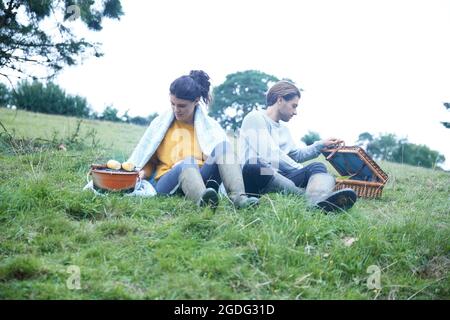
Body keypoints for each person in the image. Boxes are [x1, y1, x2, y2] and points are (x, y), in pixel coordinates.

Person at [127, 70, 259, 209]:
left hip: (203, 179)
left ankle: (239, 199)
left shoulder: (210, 127)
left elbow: (222, 162)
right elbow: (149, 161)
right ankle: (203, 202)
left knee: (223, 147)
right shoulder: (160, 125)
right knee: (188, 162)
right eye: (173, 104)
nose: (176, 109)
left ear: (196, 101)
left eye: (182, 105)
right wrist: (141, 174)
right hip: (168, 181)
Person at [240, 80, 357, 212]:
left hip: (281, 177)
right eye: (293, 106)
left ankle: (317, 202)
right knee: (254, 165)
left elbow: (295, 155)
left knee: (317, 166)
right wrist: (301, 170)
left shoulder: (284, 129)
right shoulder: (255, 118)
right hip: (257, 174)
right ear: (280, 100)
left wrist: (319, 145)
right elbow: (271, 154)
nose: (295, 112)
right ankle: (304, 196)